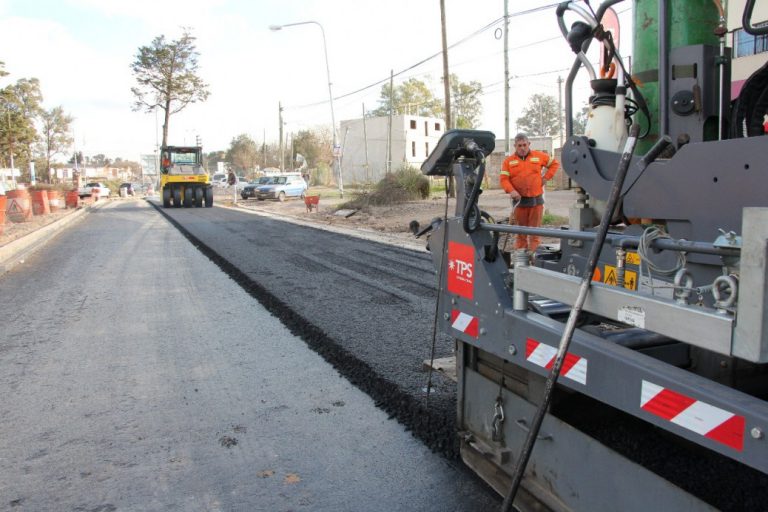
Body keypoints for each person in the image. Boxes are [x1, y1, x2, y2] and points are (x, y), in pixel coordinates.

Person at [500, 133, 560, 259]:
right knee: (521, 233)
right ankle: (521, 260)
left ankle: (534, 259)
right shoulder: (508, 162)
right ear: (515, 146)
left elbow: (554, 164)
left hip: (536, 201)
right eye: (519, 145)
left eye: (524, 145)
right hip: (519, 202)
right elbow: (504, 179)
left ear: (529, 144)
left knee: (535, 232)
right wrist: (511, 190)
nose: (522, 148)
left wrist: (546, 178)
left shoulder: (539, 156)